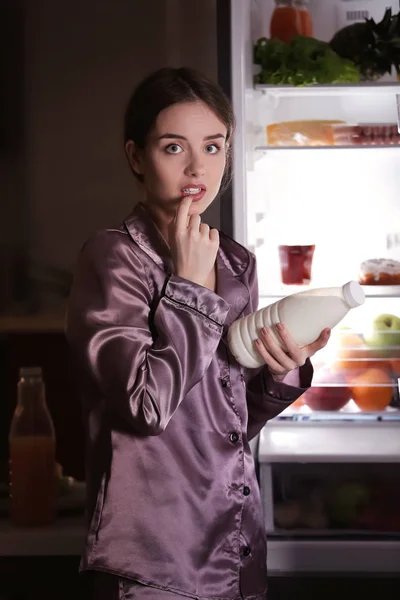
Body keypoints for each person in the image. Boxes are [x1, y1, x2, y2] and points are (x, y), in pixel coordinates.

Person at [65, 67, 330, 600]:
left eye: (212, 147)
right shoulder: (113, 258)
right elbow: (147, 407)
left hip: (232, 545)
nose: (196, 167)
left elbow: (228, 423)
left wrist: (283, 371)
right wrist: (188, 285)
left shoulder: (236, 263)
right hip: (151, 556)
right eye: (172, 148)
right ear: (137, 157)